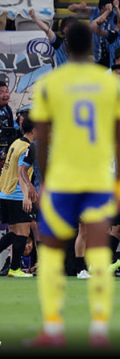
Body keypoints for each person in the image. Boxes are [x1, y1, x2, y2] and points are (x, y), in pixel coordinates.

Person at [27, 22, 120, 347]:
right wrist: (119, 180)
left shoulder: (50, 83)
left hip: (61, 179)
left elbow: (41, 139)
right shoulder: (110, 84)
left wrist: (43, 182)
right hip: (99, 177)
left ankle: (53, 328)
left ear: (67, 48)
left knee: (51, 249)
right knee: (99, 248)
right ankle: (99, 329)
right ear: (93, 48)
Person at [0, 118, 37, 278]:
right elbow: (22, 172)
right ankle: (15, 269)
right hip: (16, 195)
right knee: (23, 232)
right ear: (35, 130)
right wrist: (26, 195)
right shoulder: (27, 147)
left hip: (5, 193)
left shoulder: (16, 143)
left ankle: (14, 269)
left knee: (15, 232)